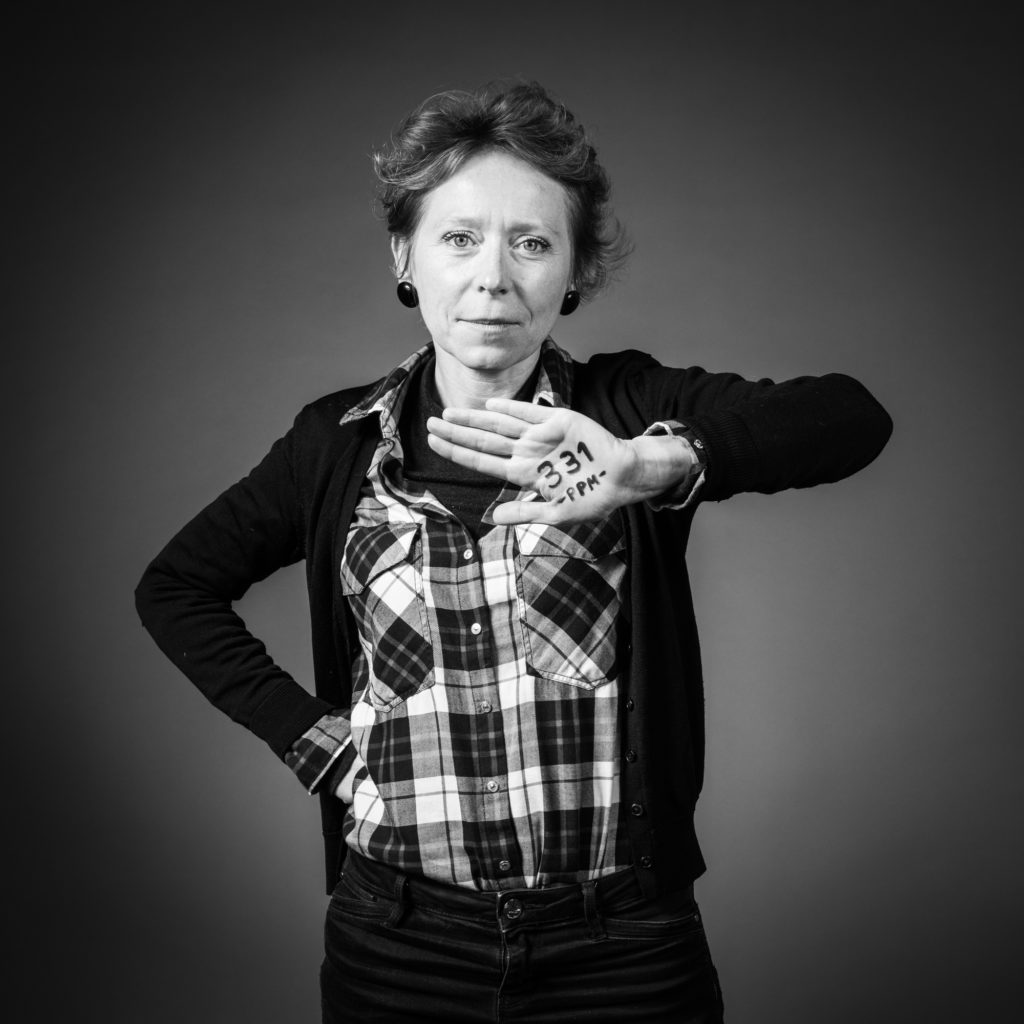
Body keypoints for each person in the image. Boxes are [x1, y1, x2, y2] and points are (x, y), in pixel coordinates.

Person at [135, 81, 892, 1023]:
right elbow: (176, 587)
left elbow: (852, 417)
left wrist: (651, 464)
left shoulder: (624, 407)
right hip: (397, 945)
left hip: (624, 950)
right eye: (459, 238)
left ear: (573, 272)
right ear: (405, 256)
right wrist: (319, 743)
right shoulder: (332, 445)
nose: (493, 277)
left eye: (531, 243)